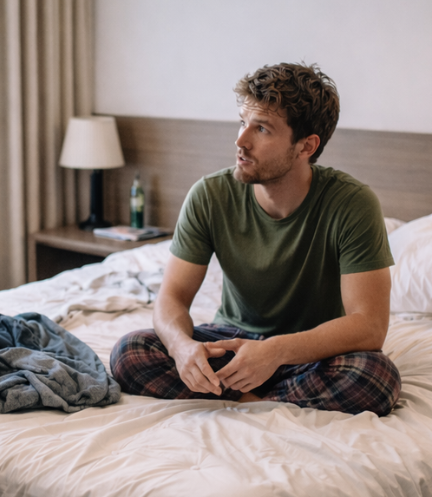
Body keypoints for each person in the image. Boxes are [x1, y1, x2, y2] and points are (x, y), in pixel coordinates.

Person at [109, 63, 401, 416]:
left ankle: (235, 400)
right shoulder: (209, 195)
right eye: (242, 122)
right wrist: (182, 347)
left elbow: (369, 326)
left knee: (375, 377)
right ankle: (261, 403)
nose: (241, 140)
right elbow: (171, 297)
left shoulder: (352, 203)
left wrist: (276, 352)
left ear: (306, 146)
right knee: (130, 351)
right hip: (232, 342)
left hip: (309, 353)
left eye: (261, 128)